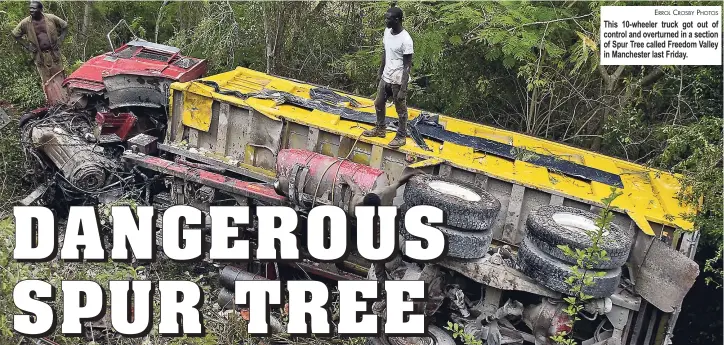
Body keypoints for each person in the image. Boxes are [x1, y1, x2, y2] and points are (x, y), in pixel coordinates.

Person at [362, 5, 414, 149]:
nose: (386, 21)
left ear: (397, 20)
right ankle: (380, 128)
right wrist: (380, 72)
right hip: (386, 76)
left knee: (401, 110)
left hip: (398, 80)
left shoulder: (406, 40)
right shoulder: (387, 32)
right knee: (378, 103)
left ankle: (401, 136)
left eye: (388, 19)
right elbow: (385, 52)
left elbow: (407, 66)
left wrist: (403, 88)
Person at [11, 1, 68, 102]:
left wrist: (60, 40)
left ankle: (65, 99)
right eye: (30, 8)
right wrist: (27, 45)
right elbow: (15, 34)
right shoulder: (26, 22)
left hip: (53, 54)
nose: (31, 10)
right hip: (40, 56)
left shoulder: (51, 18)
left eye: (34, 8)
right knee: (46, 81)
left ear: (41, 10)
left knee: (60, 77)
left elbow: (64, 26)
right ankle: (51, 102)